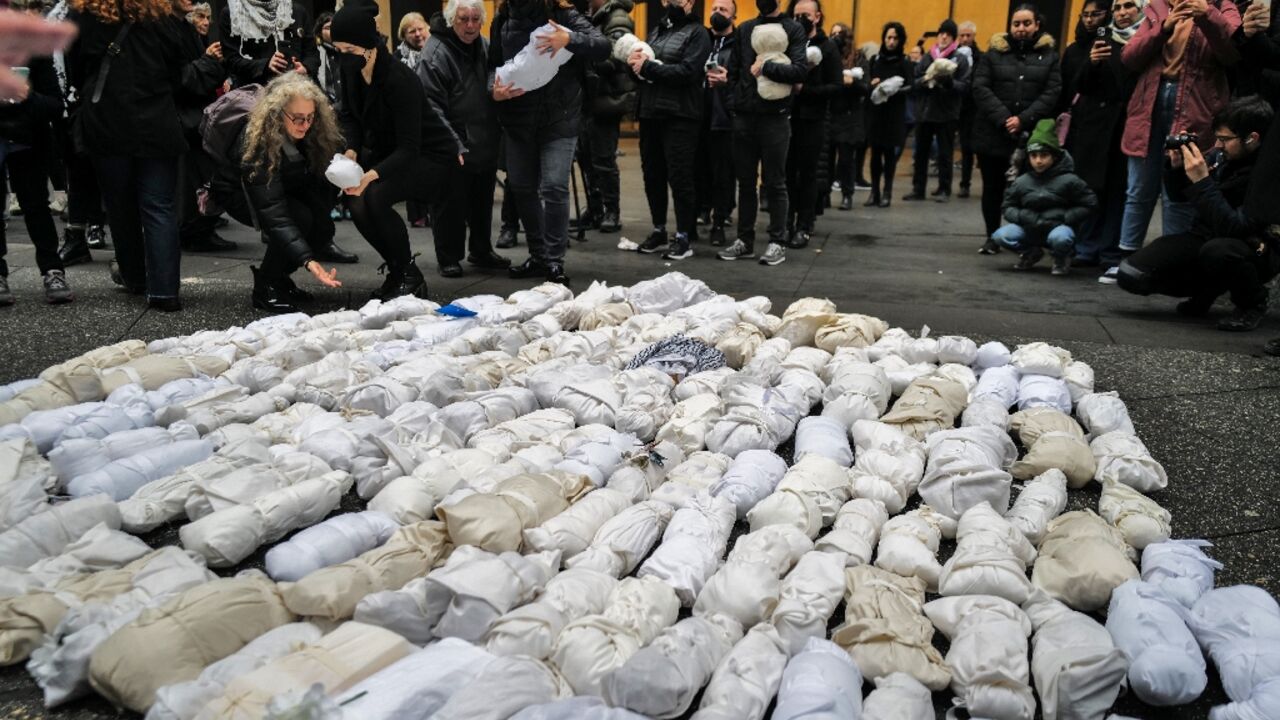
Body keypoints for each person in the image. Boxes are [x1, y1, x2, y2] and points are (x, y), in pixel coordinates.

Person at [67, 0, 202, 312]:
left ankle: (135, 278)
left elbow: (76, 66)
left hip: (107, 119)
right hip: (156, 119)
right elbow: (180, 66)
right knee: (160, 207)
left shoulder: (85, 14)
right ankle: (165, 290)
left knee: (120, 207)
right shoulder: (160, 14)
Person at [330, 0, 461, 299]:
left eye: (349, 51)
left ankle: (408, 274)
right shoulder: (352, 72)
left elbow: (409, 147)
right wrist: (351, 151)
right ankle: (398, 269)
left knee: (374, 196)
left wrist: (369, 175)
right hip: (392, 153)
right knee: (356, 202)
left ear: (368, 46)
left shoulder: (400, 80)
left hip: (432, 155)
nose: (343, 58)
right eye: (338, 51)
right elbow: (350, 116)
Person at [1108, 0, 1242, 283]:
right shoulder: (1158, 8)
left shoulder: (1222, 7)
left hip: (1196, 109)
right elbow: (1130, 57)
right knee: (1138, 189)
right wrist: (1163, 27)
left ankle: (1171, 264)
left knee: (1178, 193)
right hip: (1150, 105)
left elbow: (1232, 52)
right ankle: (1123, 258)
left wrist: (1206, 16)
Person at [1118, 96, 1275, 331]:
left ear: (1252, 138)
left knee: (1219, 252)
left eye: (1225, 139)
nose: (1218, 146)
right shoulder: (1223, 157)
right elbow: (1180, 196)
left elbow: (1236, 227)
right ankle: (1208, 289)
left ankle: (1252, 302)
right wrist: (1177, 169)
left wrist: (1202, 180)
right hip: (1204, 237)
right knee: (1132, 273)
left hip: (1256, 248)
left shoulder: (1268, 174)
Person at [489, 0, 609, 285]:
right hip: (518, 120)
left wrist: (569, 38)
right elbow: (491, 66)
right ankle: (539, 256)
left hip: (560, 117)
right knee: (521, 187)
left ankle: (555, 261)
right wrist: (493, 90)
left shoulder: (563, 14)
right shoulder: (502, 19)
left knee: (554, 186)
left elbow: (603, 45)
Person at [212, 73, 343, 312]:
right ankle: (266, 286)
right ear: (277, 112)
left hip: (284, 185)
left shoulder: (313, 130)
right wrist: (308, 261)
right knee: (299, 219)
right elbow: (274, 213)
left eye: (311, 117)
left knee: (322, 225)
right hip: (240, 192)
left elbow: (320, 176)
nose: (305, 125)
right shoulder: (257, 141)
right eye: (298, 118)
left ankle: (280, 278)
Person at [418, 0, 510, 278]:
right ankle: (449, 257)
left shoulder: (483, 45)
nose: (470, 25)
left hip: (483, 137)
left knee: (482, 199)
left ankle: (480, 250)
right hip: (452, 141)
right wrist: (452, 143)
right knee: (450, 203)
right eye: (463, 19)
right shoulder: (435, 52)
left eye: (475, 19)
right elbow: (431, 105)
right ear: (451, 20)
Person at [716, 0, 808, 266]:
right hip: (744, 116)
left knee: (775, 182)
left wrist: (766, 67)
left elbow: (799, 70)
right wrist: (736, 102)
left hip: (776, 118)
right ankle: (744, 240)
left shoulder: (793, 29)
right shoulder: (745, 29)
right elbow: (734, 72)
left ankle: (777, 241)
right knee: (745, 182)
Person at [971, 4, 1062, 253]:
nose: (1021, 28)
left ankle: (1022, 238)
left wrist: (1022, 119)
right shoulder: (992, 55)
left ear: (1037, 25)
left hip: (1029, 136)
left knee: (1027, 190)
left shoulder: (1050, 57)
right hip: (993, 133)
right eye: (1016, 24)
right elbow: (980, 88)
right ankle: (992, 236)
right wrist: (1004, 118)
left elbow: (1052, 92)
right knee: (992, 189)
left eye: (1026, 23)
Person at [0, 0, 72, 307]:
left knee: (36, 208)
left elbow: (55, 105)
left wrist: (25, 94)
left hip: (28, 140)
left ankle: (53, 270)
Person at [1064, 0, 1143, 271]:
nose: (1122, 13)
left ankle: (1111, 251)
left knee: (1119, 192)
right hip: (1095, 127)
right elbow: (1080, 85)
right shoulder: (1103, 39)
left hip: (1127, 124)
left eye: (1128, 7)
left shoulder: (1149, 37)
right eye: (1118, 8)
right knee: (1093, 188)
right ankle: (1087, 247)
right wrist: (1093, 63)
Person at [631, 0, 712, 260]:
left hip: (681, 114)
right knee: (652, 173)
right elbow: (643, 66)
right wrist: (634, 65)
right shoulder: (657, 31)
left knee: (680, 176)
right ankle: (659, 230)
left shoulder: (699, 33)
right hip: (650, 111)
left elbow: (688, 71)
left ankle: (684, 236)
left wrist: (648, 67)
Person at [992, 118, 1097, 274]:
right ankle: (1030, 252)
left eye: (1044, 155)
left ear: (1054, 156)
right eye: (1033, 156)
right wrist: (1021, 215)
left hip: (1057, 227)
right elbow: (1007, 206)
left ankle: (1061, 258)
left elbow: (1090, 203)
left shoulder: (1070, 180)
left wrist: (1066, 217)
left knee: (1061, 238)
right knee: (1000, 236)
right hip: (1029, 227)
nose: (1038, 161)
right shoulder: (1022, 181)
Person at [175, 0, 234, 255]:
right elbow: (184, 80)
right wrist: (210, 61)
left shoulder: (185, 31)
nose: (206, 22)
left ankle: (201, 228)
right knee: (192, 180)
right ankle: (195, 231)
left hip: (195, 118)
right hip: (185, 119)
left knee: (203, 177)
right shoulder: (172, 31)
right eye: (201, 16)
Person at [574, 0, 635, 234]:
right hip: (590, 98)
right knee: (586, 157)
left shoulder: (617, 17)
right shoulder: (591, 15)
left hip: (607, 99)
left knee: (603, 159)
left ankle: (612, 211)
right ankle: (595, 209)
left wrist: (581, 53)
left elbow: (614, 57)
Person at [904, 18, 970, 203]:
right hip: (924, 112)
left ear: (953, 38)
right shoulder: (927, 57)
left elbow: (964, 87)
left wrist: (949, 83)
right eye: (942, 33)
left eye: (948, 35)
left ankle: (944, 188)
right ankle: (918, 189)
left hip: (946, 113)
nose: (944, 37)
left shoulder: (960, 59)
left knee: (945, 153)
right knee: (921, 153)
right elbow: (915, 81)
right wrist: (925, 81)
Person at [698, 0, 738, 245]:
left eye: (723, 10)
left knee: (724, 173)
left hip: (725, 116)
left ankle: (720, 222)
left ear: (734, 15)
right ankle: (700, 210)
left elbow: (745, 76)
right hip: (697, 115)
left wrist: (728, 78)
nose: (717, 13)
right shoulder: (701, 40)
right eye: (714, 9)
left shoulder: (740, 43)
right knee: (698, 169)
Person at [862, 21, 912, 209]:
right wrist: (874, 85)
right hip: (877, 113)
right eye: (888, 37)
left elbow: (911, 85)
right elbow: (867, 83)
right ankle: (874, 191)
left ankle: (887, 192)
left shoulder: (904, 61)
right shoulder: (875, 60)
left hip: (894, 113)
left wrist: (893, 90)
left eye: (895, 38)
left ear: (901, 40)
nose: (891, 42)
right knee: (875, 154)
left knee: (890, 155)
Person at [218, 0, 320, 88]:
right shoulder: (233, 13)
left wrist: (305, 68)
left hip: (297, 90)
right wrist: (265, 65)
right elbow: (231, 60)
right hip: (254, 95)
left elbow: (312, 53)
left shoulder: (296, 11)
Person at [825, 21, 867, 212]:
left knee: (846, 159)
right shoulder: (827, 56)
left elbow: (865, 87)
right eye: (832, 34)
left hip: (849, 115)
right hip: (829, 112)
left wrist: (851, 82)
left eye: (839, 34)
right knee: (825, 159)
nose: (835, 38)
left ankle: (847, 194)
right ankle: (823, 195)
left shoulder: (858, 57)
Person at [956, 20, 981, 198]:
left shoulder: (980, 56)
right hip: (953, 104)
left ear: (973, 36)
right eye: (962, 35)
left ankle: (965, 183)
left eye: (968, 35)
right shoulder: (952, 54)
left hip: (970, 107)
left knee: (967, 147)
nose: (965, 39)